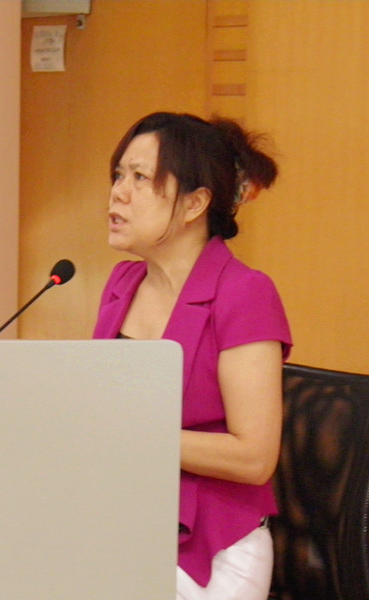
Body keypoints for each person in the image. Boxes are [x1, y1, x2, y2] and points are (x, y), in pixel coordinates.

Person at [92, 112, 292, 600]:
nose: (118, 193)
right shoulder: (122, 284)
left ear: (195, 203)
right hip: (127, 516)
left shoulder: (244, 293)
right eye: (118, 174)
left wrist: (131, 434)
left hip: (212, 542)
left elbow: (254, 458)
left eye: (140, 178)